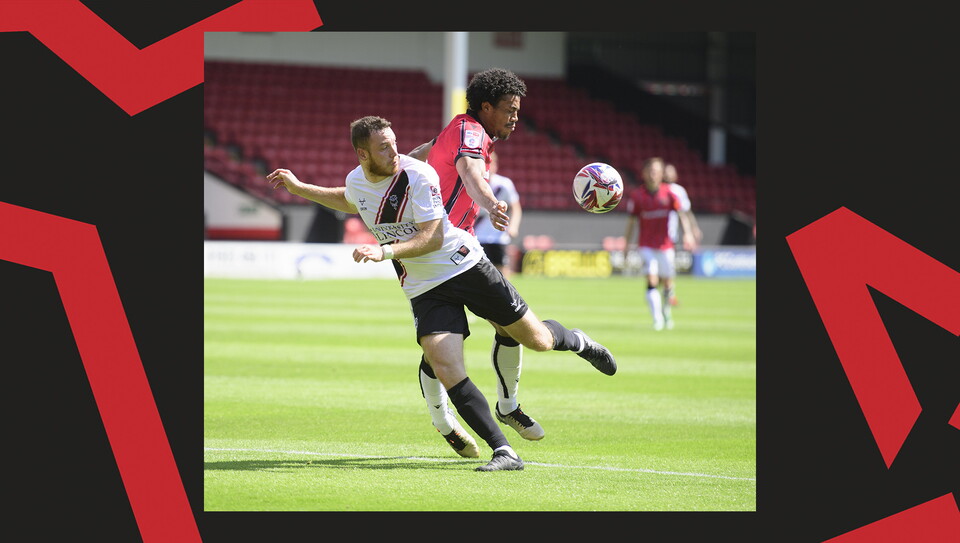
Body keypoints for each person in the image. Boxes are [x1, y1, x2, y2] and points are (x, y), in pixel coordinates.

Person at [265, 116, 616, 472]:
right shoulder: (357, 180)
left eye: (394, 142)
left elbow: (432, 237)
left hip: (465, 266)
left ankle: (579, 342)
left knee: (538, 340)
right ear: (362, 154)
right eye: (383, 147)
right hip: (424, 288)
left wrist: (383, 251)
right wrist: (300, 188)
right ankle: (504, 451)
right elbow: (350, 199)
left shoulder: (418, 174)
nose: (394, 150)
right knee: (446, 365)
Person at [408, 68, 547, 447]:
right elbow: (469, 171)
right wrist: (491, 203)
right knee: (458, 340)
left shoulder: (459, 127)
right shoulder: (470, 131)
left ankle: (483, 412)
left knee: (456, 337)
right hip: (444, 250)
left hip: (445, 249)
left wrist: (393, 171)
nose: (516, 118)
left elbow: (423, 152)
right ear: (486, 107)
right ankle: (479, 414)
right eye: (510, 110)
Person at [622, 157, 695, 331]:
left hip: (666, 246)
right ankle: (657, 319)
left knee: (668, 283)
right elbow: (631, 222)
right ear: (644, 173)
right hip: (646, 245)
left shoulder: (670, 194)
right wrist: (626, 243)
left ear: (662, 173)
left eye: (656, 171)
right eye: (650, 171)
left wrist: (688, 234)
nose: (653, 174)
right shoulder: (637, 196)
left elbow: (682, 215)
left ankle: (666, 310)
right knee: (652, 279)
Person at [474, 151, 522, 278]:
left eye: (491, 163)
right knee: (479, 272)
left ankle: (506, 296)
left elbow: (516, 207)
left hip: (498, 236)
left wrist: (513, 226)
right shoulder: (473, 183)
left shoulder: (504, 184)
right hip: (477, 235)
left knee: (502, 270)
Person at [662, 163, 702, 306]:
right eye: (665, 172)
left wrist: (692, 229)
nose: (668, 174)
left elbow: (686, 212)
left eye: (670, 172)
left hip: (669, 236)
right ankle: (667, 293)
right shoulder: (657, 190)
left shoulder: (678, 191)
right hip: (654, 235)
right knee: (660, 272)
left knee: (668, 269)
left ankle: (669, 294)